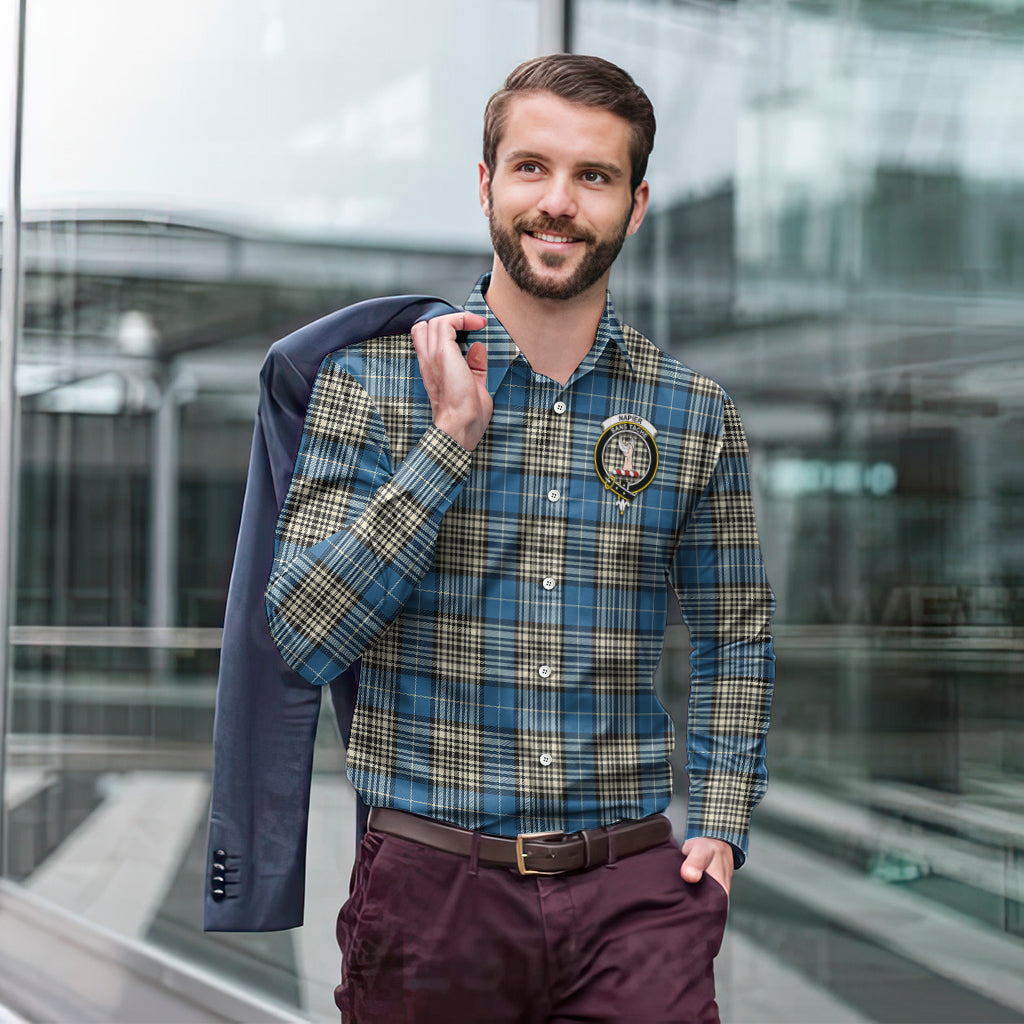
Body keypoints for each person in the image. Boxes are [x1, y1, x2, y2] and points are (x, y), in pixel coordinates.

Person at [264, 53, 775, 1024]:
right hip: (432, 895)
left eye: (595, 176)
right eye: (533, 167)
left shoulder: (695, 413)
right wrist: (448, 441)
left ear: (636, 203)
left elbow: (736, 628)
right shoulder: (370, 388)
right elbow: (302, 634)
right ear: (487, 182)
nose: (559, 202)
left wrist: (719, 818)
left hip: (633, 895)